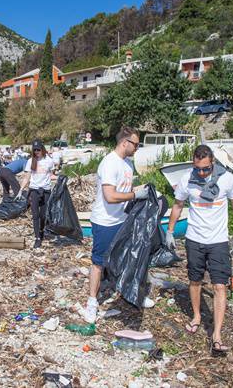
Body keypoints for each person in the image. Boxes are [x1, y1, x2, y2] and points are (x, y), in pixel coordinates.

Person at [166, 144, 233, 355]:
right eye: (198, 169)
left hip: (218, 241)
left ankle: (217, 334)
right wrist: (170, 230)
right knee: (195, 280)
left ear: (212, 163)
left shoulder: (226, 179)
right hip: (194, 239)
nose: (202, 173)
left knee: (220, 286)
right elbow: (177, 205)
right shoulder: (187, 179)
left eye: (205, 169)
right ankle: (196, 316)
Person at [79, 127, 153, 323]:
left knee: (127, 257)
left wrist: (145, 192)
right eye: (135, 144)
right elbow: (110, 196)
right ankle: (92, 303)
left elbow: (125, 190)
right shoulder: (109, 163)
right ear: (124, 143)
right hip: (105, 222)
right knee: (98, 262)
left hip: (122, 220)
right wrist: (135, 195)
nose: (137, 147)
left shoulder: (128, 164)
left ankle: (131, 291)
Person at [19, 139, 56, 249]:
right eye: (34, 150)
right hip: (34, 190)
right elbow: (27, 177)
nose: (36, 152)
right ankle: (37, 238)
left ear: (42, 149)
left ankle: (41, 230)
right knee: (35, 215)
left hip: (46, 191)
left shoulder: (49, 161)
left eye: (38, 149)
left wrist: (60, 178)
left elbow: (51, 175)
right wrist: (21, 189)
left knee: (43, 215)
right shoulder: (31, 161)